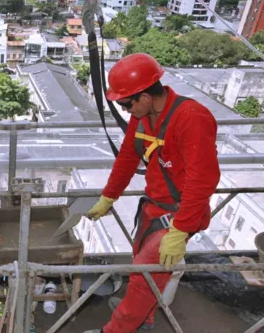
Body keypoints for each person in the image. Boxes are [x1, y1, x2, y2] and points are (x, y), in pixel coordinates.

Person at [83, 54, 220, 333]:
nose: (123, 110)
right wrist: (109, 196)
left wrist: (180, 230)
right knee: (140, 265)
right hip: (155, 206)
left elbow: (202, 180)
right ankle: (142, 321)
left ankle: (116, 330)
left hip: (180, 212)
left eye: (125, 103)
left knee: (145, 276)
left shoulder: (191, 118)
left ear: (144, 96)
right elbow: (126, 158)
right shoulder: (144, 116)